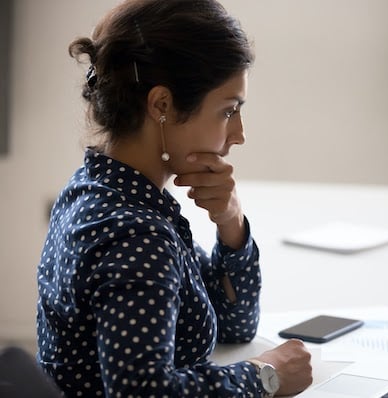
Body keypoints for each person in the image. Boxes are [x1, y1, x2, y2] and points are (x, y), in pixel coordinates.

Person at [35, 0, 313, 396]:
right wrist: (264, 376)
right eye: (228, 110)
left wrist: (231, 222)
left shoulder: (101, 187)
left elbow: (234, 325)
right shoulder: (135, 234)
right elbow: (144, 391)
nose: (239, 134)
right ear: (161, 105)